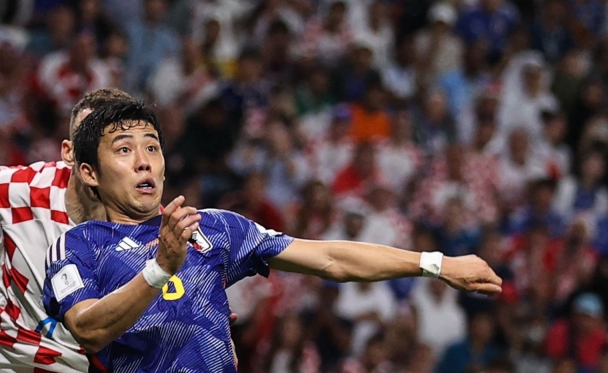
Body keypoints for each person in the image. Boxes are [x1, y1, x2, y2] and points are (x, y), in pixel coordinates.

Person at [43, 101, 502, 372]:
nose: (144, 161)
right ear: (90, 172)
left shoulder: (214, 227)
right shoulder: (79, 246)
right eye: (124, 150)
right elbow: (89, 327)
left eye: (152, 148)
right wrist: (162, 267)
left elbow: (329, 259)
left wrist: (436, 264)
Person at [0, 88, 134, 372]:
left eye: (119, 149)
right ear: (69, 152)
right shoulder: (19, 191)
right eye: (91, 145)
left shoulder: (151, 230)